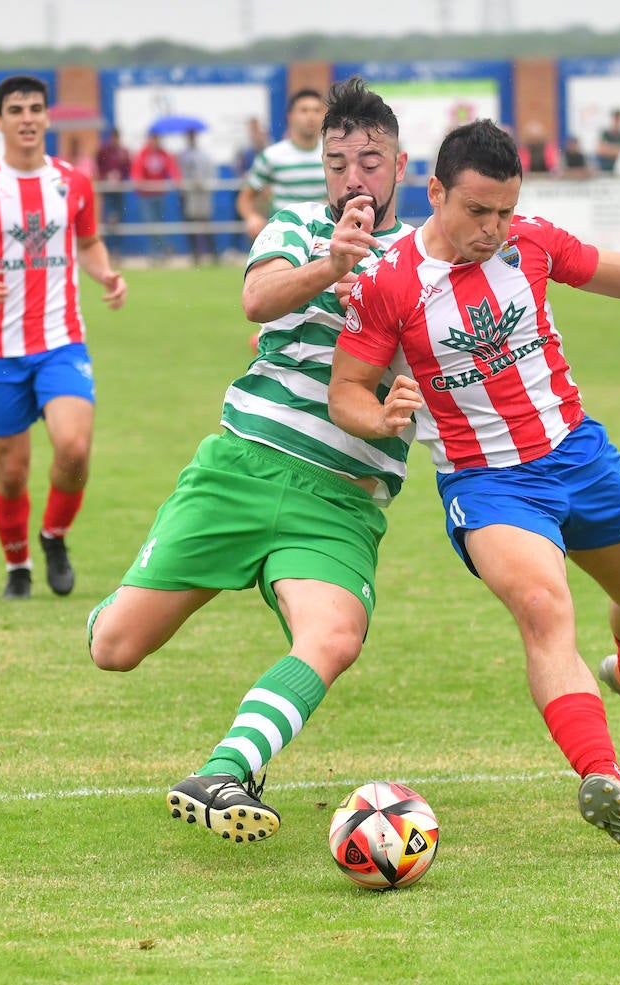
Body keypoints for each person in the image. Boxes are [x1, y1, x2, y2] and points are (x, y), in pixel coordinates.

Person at [328, 120, 620, 848]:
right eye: (477, 211)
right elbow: (347, 392)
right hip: (487, 483)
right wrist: (381, 414)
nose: (493, 229)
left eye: (504, 211)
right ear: (434, 192)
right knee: (541, 607)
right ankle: (604, 776)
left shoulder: (533, 241)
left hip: (576, 454)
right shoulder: (386, 282)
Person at [87, 76, 412, 844]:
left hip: (338, 500)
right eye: (338, 163)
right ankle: (131, 586)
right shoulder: (297, 228)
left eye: (369, 161)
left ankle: (227, 768)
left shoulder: (426, 260)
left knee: (334, 636)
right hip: (242, 468)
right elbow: (259, 300)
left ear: (400, 165)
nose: (353, 179)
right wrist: (333, 264)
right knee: (115, 648)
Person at [0, 75, 127, 600]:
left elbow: (89, 244)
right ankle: (17, 565)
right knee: (12, 472)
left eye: (36, 108)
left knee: (74, 447)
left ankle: (54, 536)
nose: (27, 118)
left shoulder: (72, 182)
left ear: (46, 118)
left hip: (62, 341)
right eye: (15, 109)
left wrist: (105, 273)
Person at [236, 88, 328, 241]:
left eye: (316, 110)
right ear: (290, 117)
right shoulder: (272, 156)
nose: (311, 116)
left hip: (324, 235)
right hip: (285, 236)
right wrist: (252, 218)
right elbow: (245, 197)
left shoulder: (333, 154)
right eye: (304, 110)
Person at [130, 129, 181, 262]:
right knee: (151, 223)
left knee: (158, 224)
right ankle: (162, 249)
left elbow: (173, 169)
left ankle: (159, 251)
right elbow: (137, 173)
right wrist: (140, 181)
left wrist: (175, 179)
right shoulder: (142, 154)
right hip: (146, 196)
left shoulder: (163, 154)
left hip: (159, 194)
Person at [177, 128, 216, 264]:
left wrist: (204, 183)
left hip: (203, 193)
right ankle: (195, 254)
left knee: (206, 223)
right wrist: (186, 184)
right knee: (191, 224)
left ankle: (213, 253)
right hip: (190, 193)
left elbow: (211, 172)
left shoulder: (203, 155)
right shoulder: (183, 156)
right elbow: (179, 174)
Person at [94, 128, 131, 256]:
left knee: (118, 221)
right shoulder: (104, 151)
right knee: (108, 221)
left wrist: (119, 178)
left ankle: (117, 250)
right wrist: (105, 177)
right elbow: (98, 167)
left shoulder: (123, 152)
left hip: (119, 191)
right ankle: (106, 250)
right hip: (107, 191)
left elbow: (127, 169)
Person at [595, 108, 620, 173]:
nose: (617, 121)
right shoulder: (605, 134)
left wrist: (609, 148)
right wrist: (618, 149)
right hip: (604, 170)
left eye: (619, 119)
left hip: (619, 171)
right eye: (616, 119)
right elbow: (601, 150)